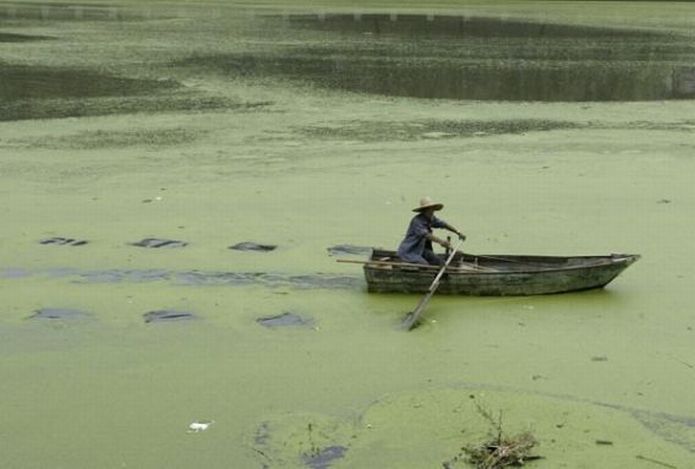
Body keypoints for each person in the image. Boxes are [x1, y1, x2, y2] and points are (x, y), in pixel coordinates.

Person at [397, 197, 465, 266]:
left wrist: (457, 232)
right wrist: (441, 241)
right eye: (429, 210)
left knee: (440, 262)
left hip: (422, 250)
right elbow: (426, 235)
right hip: (410, 251)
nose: (432, 212)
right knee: (425, 265)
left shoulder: (431, 218)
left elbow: (443, 224)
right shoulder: (417, 222)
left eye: (432, 209)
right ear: (424, 211)